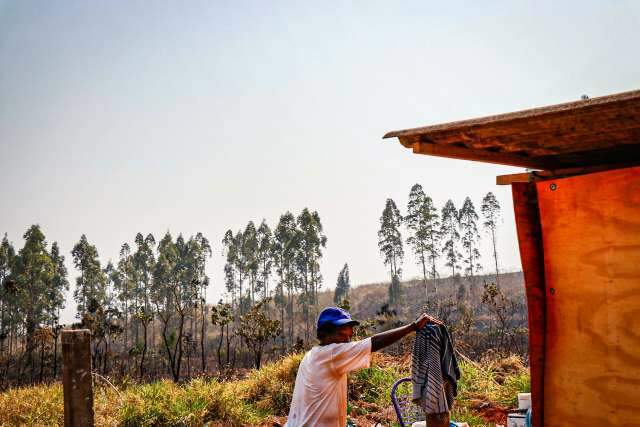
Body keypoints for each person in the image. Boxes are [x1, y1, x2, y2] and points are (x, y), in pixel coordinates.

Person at [285, 306, 442, 427]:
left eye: (350, 336)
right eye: (341, 334)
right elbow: (373, 343)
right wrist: (413, 327)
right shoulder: (330, 354)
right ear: (323, 335)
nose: (347, 341)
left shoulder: (312, 355)